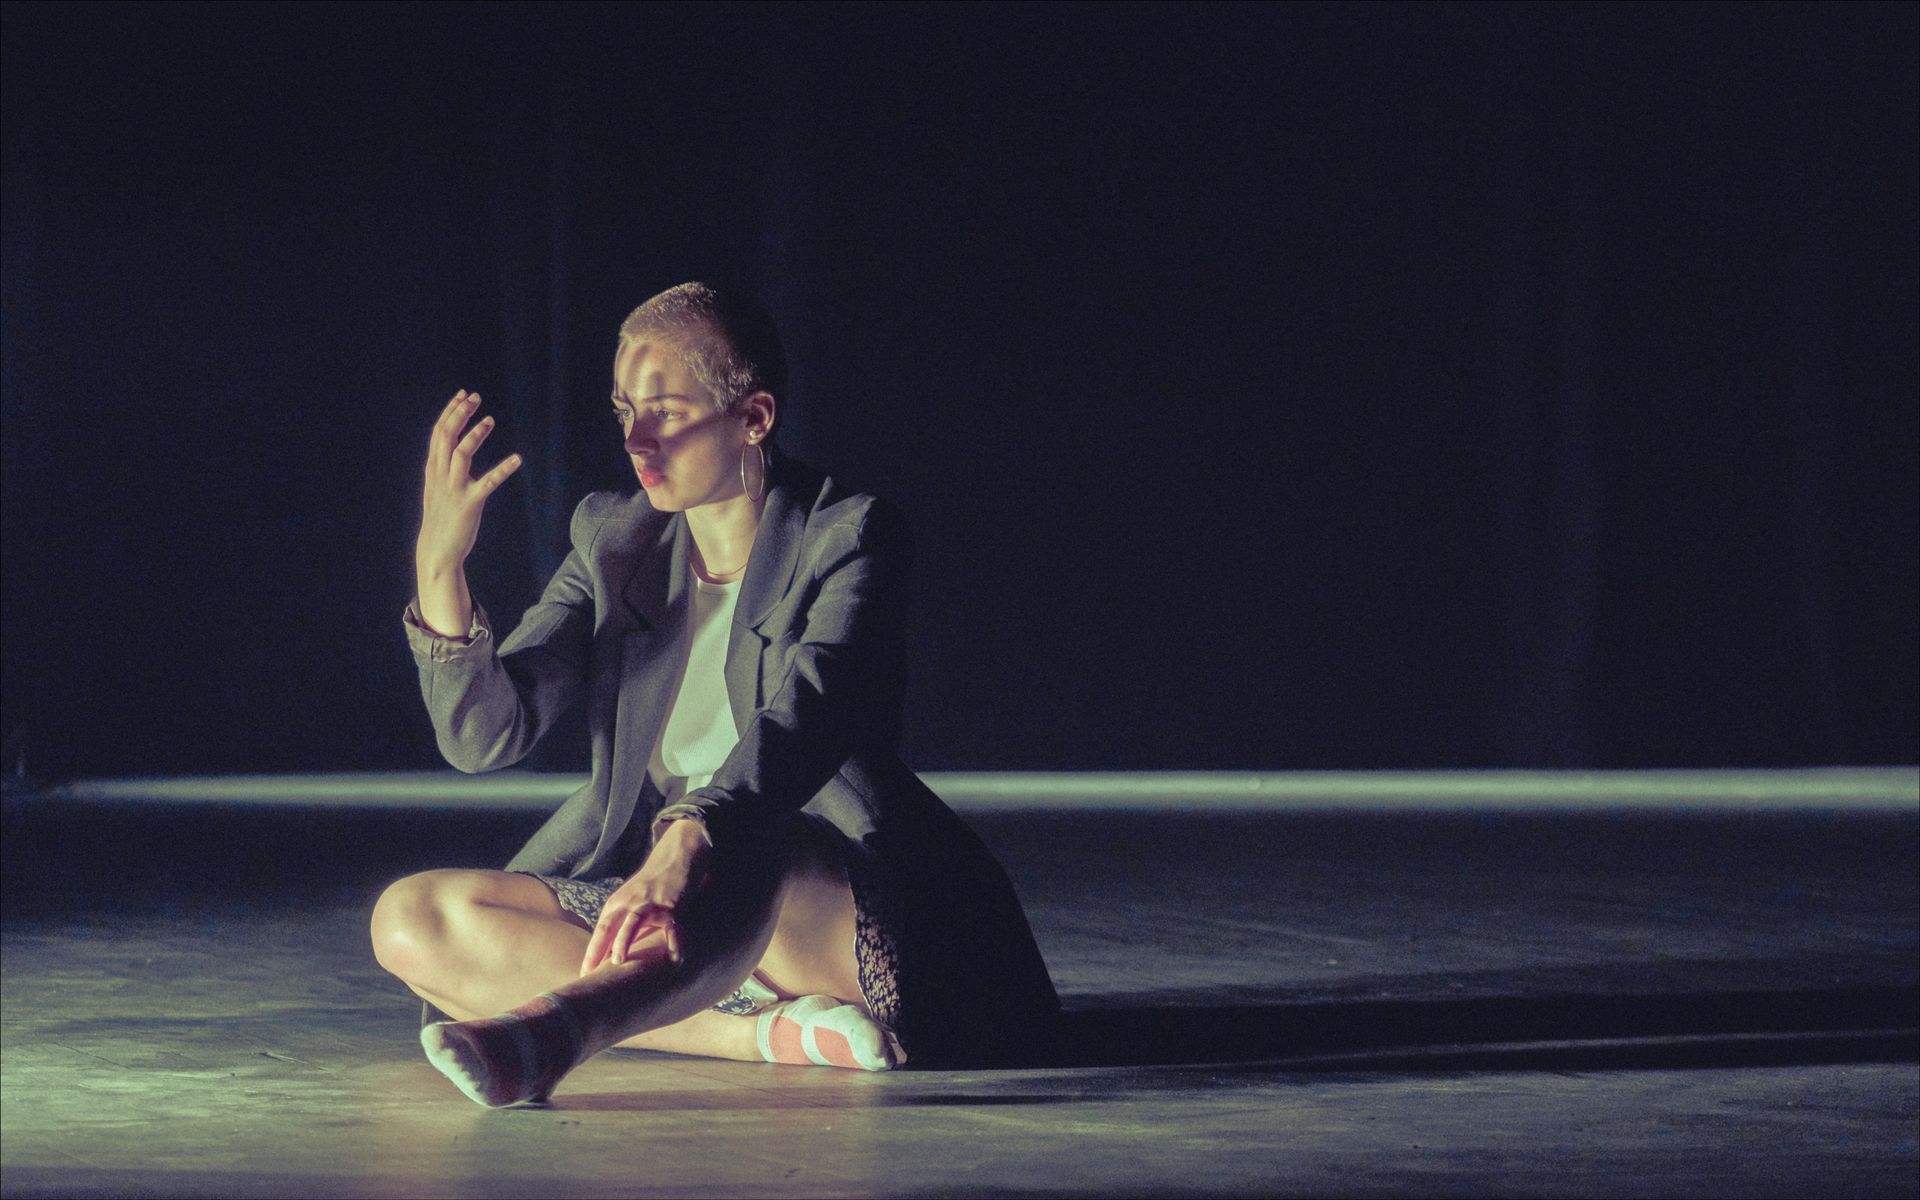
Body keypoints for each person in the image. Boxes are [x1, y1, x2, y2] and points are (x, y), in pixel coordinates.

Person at [370, 282, 1058, 1107]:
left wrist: (694, 831)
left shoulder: (849, 534)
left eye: (664, 411)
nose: (636, 440)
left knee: (753, 836)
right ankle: (763, 1034)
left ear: (754, 416)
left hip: (834, 910)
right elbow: (486, 735)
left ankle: (562, 1033)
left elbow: (809, 716)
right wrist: (438, 567)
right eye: (624, 409)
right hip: (681, 915)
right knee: (410, 920)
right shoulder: (615, 540)